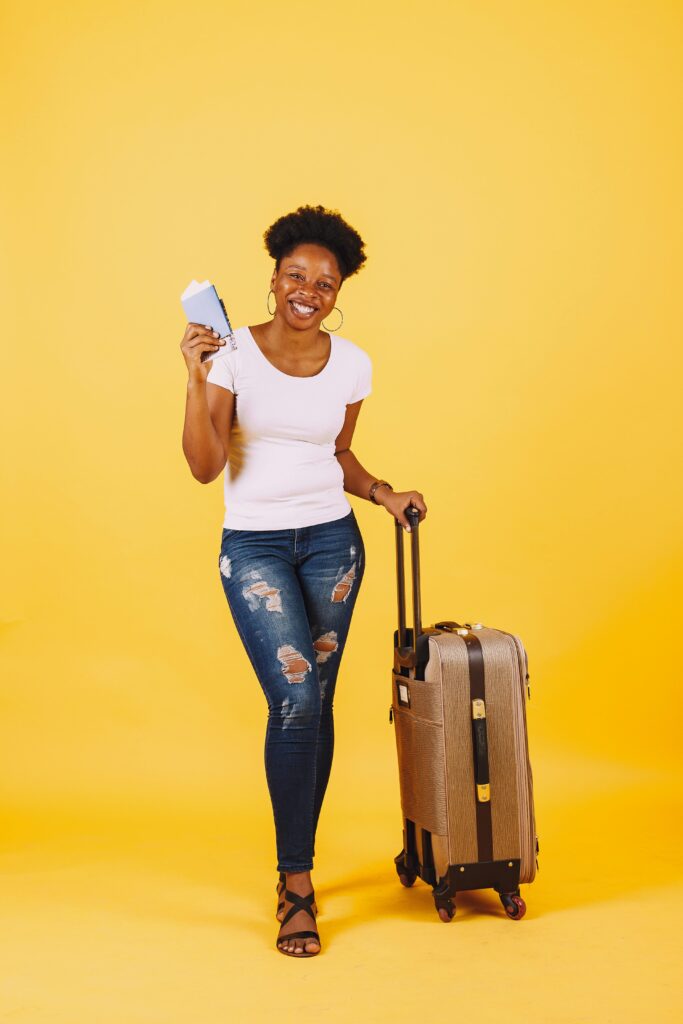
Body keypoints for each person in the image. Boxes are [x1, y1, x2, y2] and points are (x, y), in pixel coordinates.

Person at [180, 204, 428, 957]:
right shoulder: (229, 356)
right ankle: (296, 885)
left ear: (337, 290)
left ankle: (297, 864)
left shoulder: (352, 365)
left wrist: (383, 491)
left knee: (312, 702)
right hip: (253, 546)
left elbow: (338, 454)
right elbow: (202, 466)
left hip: (332, 545)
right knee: (294, 697)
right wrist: (194, 377)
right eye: (296, 275)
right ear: (274, 279)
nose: (308, 290)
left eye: (324, 282)